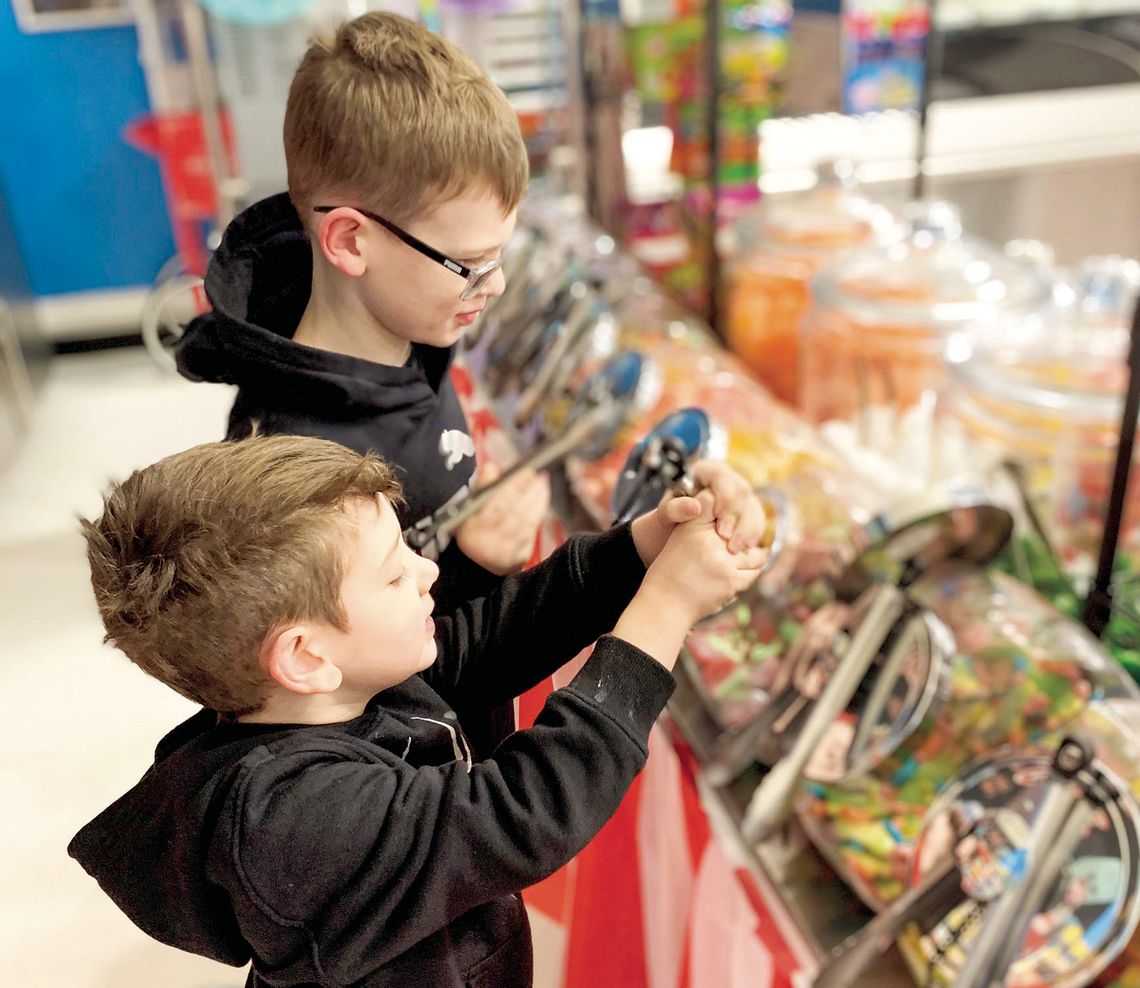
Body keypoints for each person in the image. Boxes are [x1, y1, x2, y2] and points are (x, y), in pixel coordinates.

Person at [69, 434, 768, 988]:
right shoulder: (289, 818)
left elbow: (486, 643)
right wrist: (666, 609)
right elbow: (523, 814)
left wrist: (645, 547)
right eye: (395, 572)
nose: (427, 569)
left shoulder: (338, 688)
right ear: (306, 656)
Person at [175, 11, 551, 756]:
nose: (497, 284)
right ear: (350, 239)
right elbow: (344, 711)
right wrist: (473, 569)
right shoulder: (296, 464)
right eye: (470, 263)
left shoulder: (408, 334)